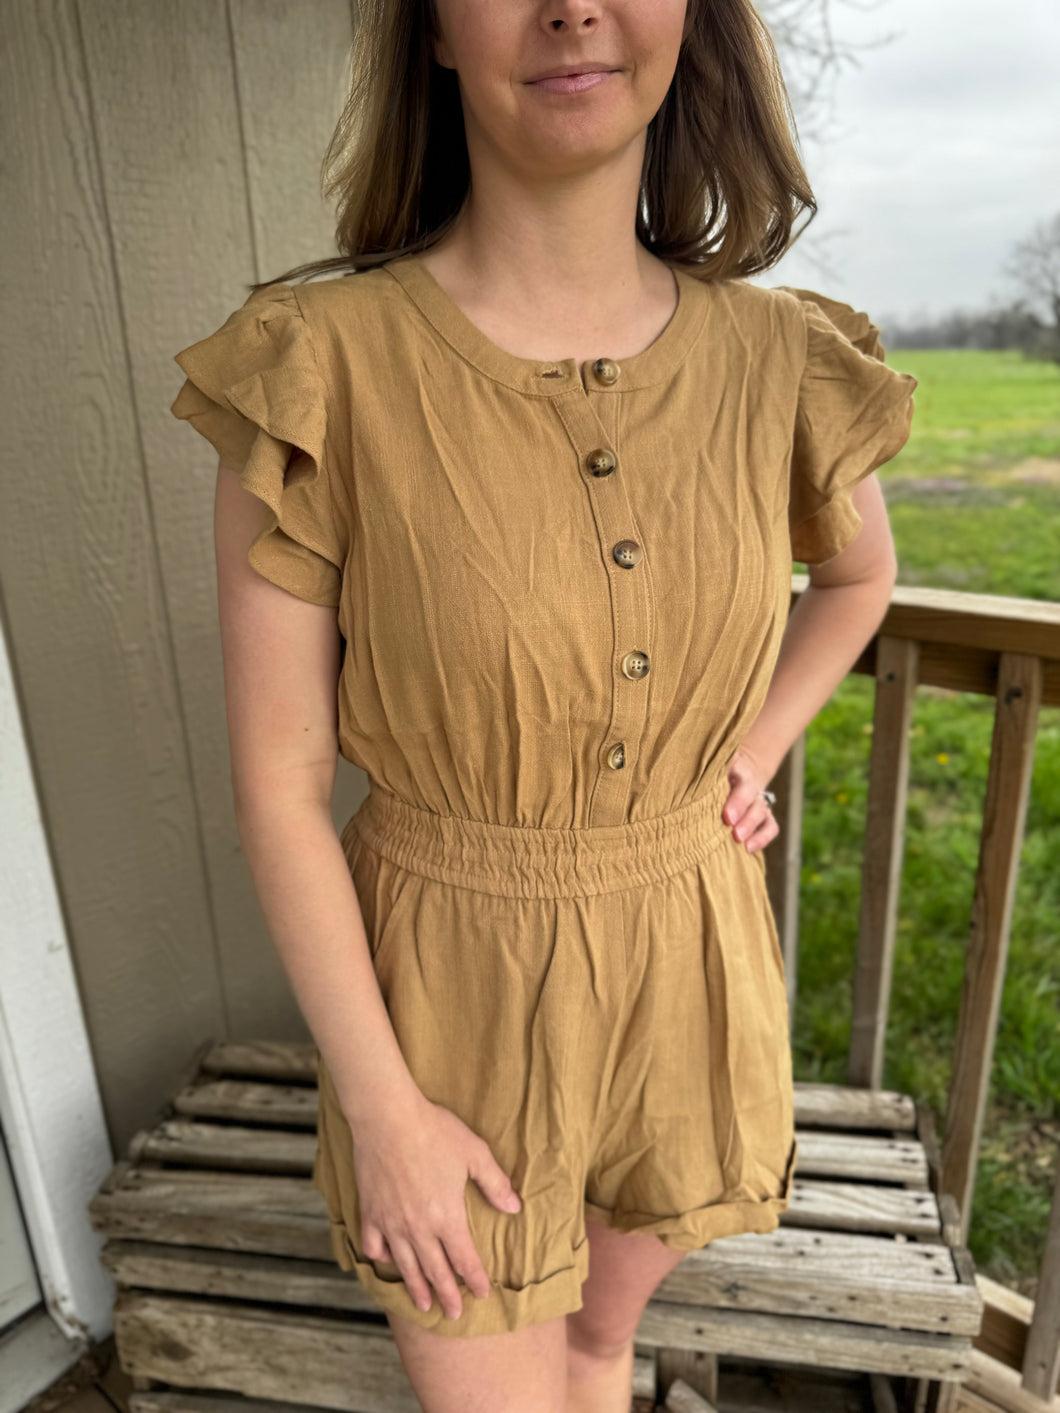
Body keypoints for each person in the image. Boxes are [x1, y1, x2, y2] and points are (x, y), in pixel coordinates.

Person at [169, 0, 917, 1407]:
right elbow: (280, 781)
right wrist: (384, 1109)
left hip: (691, 967)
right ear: (435, 31)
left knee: (595, 1348)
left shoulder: (780, 357)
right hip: (452, 1007)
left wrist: (749, 750)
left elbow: (860, 577)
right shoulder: (319, 366)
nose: (572, 8)